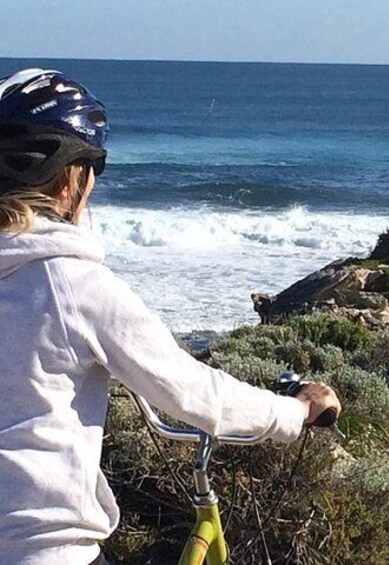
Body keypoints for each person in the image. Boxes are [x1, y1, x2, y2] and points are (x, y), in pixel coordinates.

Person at [0, 68, 341, 564]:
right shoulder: (71, 284)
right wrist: (293, 411)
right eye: (94, 167)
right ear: (68, 179)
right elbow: (195, 392)